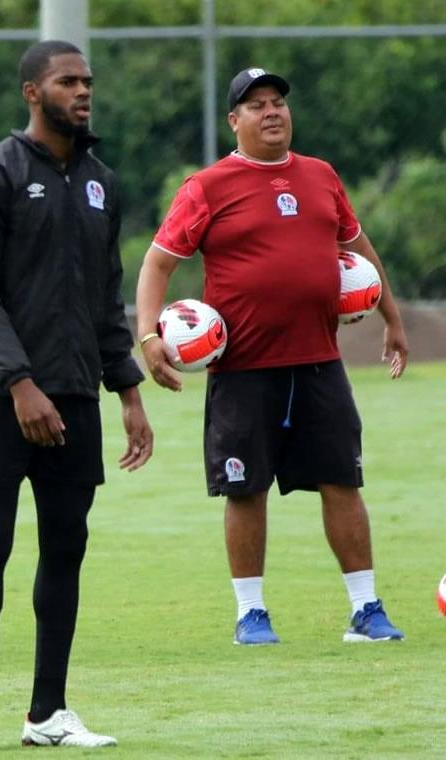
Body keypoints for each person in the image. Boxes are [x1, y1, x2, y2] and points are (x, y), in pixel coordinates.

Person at [135, 67, 409, 646]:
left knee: (342, 481)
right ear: (234, 121)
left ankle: (365, 609)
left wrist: (392, 316)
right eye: (256, 105)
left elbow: (356, 246)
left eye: (278, 101)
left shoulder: (320, 176)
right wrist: (147, 336)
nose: (271, 112)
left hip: (318, 362)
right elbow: (157, 263)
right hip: (243, 370)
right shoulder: (207, 186)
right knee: (245, 488)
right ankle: (250, 613)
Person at [0, 41, 152, 752]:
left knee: (66, 547)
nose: (84, 91)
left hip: (76, 397)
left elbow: (105, 297)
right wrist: (21, 385)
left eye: (89, 80)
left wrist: (126, 389)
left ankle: (48, 714)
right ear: (34, 92)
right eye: (69, 81)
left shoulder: (101, 181)